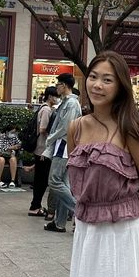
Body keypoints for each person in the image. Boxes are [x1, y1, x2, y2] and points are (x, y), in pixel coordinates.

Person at [65, 51, 139, 277]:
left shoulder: (131, 128)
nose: (97, 85)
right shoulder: (76, 128)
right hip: (87, 231)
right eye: (93, 77)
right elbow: (80, 180)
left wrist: (138, 226)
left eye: (107, 80)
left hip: (125, 231)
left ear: (120, 85)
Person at [43, 72, 82, 233]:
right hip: (64, 145)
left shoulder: (71, 103)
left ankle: (80, 212)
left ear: (64, 85)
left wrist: (50, 138)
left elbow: (66, 126)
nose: (56, 87)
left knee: (54, 181)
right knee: (63, 183)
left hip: (63, 145)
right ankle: (59, 223)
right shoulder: (67, 102)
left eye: (58, 84)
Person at [28, 86, 58, 216]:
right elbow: (42, 129)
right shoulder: (46, 110)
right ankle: (35, 206)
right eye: (56, 96)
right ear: (50, 96)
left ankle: (35, 206)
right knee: (42, 179)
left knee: (40, 178)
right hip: (42, 149)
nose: (57, 99)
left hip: (40, 149)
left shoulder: (43, 108)